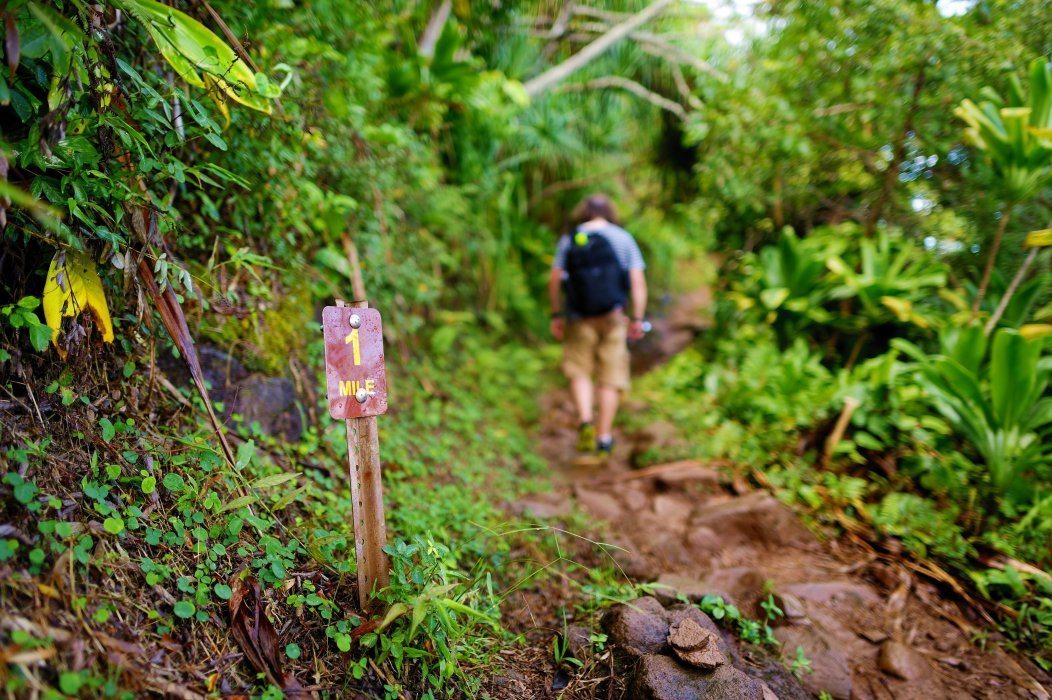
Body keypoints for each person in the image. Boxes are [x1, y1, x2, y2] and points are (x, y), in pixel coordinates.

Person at [548, 194, 647, 458]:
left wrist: (556, 313)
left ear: (584, 211)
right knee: (609, 378)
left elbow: (555, 279)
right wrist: (637, 318)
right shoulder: (622, 237)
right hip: (613, 317)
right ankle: (603, 438)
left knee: (580, 371)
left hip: (579, 316)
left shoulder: (571, 238)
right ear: (610, 212)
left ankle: (584, 421)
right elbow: (637, 281)